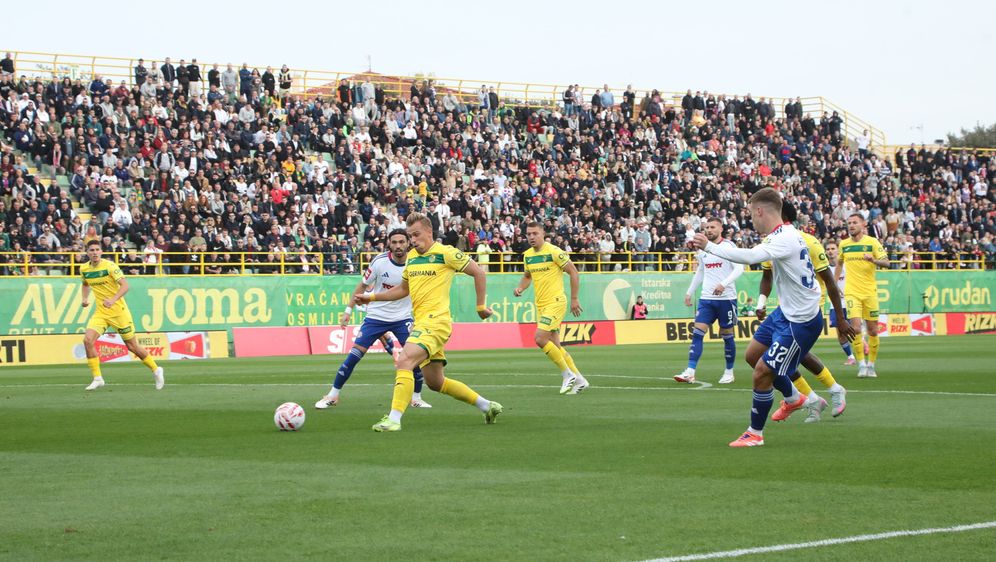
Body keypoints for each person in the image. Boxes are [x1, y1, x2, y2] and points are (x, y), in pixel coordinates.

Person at [690, 188, 853, 447]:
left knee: (763, 373)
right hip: (785, 312)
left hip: (801, 320)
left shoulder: (784, 238)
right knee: (753, 356)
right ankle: (794, 397)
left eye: (751, 214)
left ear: (759, 211)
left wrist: (708, 246)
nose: (751, 220)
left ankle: (755, 433)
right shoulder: (785, 235)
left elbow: (751, 257)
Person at [355, 213, 502, 432]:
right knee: (435, 382)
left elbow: (479, 273)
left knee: (404, 360)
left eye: (416, 235)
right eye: (410, 236)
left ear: (429, 231)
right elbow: (403, 289)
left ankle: (394, 419)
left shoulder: (446, 253)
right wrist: (371, 297)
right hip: (422, 322)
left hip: (437, 322)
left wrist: (480, 307)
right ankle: (487, 405)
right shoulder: (412, 257)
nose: (412, 240)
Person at [754, 201, 851, 423]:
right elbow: (767, 276)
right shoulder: (771, 242)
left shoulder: (808, 242)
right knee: (785, 358)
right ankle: (813, 398)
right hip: (785, 309)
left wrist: (841, 318)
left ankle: (830, 391)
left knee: (787, 358)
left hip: (806, 309)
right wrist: (761, 302)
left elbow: (829, 281)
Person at [315, 229, 432, 409]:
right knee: (353, 356)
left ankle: (416, 398)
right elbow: (362, 286)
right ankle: (332, 395)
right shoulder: (379, 262)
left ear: (408, 243)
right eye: (394, 242)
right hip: (376, 316)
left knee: (414, 358)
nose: (398, 246)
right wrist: (348, 310)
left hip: (403, 318)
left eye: (402, 242)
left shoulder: (416, 261)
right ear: (389, 244)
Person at [512, 221, 589, 394]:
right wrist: (520, 288)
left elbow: (573, 272)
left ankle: (567, 374)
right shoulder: (527, 256)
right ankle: (580, 379)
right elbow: (527, 276)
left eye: (535, 233)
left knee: (540, 338)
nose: (531, 237)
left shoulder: (554, 251)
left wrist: (574, 298)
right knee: (556, 345)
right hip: (541, 305)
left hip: (555, 302)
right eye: (529, 234)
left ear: (543, 234)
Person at [79, 239, 164, 391]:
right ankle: (98, 378)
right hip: (101, 313)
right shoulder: (84, 268)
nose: (94, 252)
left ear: (101, 251)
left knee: (132, 346)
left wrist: (112, 299)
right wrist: (85, 298)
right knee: (87, 340)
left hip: (118, 312)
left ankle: (156, 369)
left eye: (97, 249)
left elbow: (125, 286)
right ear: (87, 253)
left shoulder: (110, 266)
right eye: (91, 250)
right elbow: (85, 284)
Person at [675, 217, 744, 385]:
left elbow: (740, 268)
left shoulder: (728, 247)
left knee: (727, 335)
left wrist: (724, 284)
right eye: (706, 227)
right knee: (697, 333)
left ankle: (729, 371)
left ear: (720, 229)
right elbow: (700, 271)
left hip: (726, 298)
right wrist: (690, 292)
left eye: (712, 227)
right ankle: (690, 371)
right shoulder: (703, 250)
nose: (709, 230)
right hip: (707, 298)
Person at [836, 214, 888, 378]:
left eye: (854, 223)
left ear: (863, 224)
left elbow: (886, 262)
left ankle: (871, 364)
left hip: (869, 292)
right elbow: (839, 263)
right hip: (852, 293)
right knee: (856, 328)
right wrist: (836, 283)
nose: (851, 225)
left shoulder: (872, 242)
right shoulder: (843, 244)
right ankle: (862, 365)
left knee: (873, 331)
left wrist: (873, 260)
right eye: (849, 223)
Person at [824, 241, 862, 365]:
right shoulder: (825, 268)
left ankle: (863, 344)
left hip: (849, 301)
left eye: (832, 248)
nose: (830, 251)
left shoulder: (845, 265)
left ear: (837, 251)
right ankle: (851, 357)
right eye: (828, 249)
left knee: (855, 329)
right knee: (840, 333)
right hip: (835, 304)